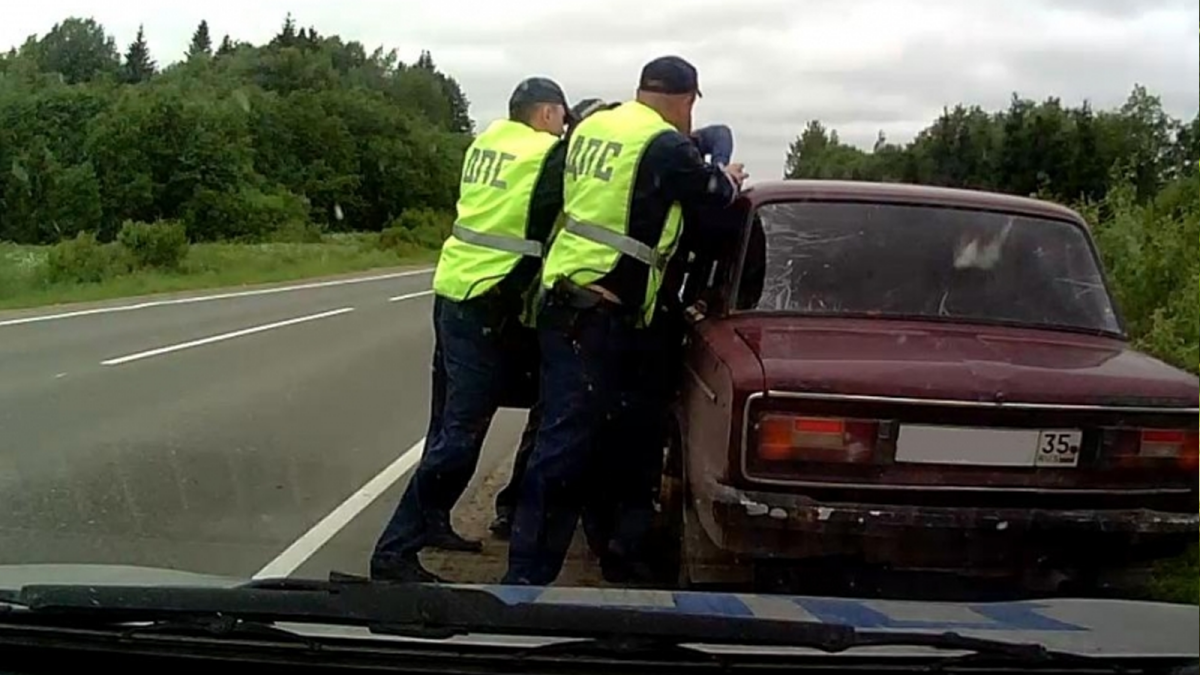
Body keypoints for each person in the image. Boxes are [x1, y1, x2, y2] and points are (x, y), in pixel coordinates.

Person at [503, 56, 748, 586]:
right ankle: (526, 585)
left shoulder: (593, 126)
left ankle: (587, 557)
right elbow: (717, 211)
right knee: (577, 446)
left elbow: (545, 201)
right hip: (602, 315)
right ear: (687, 101)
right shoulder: (668, 147)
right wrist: (723, 172)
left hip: (569, 302)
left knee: (591, 440)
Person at [371, 77, 573, 583]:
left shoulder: (487, 142)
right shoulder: (546, 154)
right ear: (547, 114)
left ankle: (435, 521)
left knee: (443, 424)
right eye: (562, 117)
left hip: (452, 288)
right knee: (461, 435)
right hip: (489, 298)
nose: (564, 125)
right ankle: (394, 553)